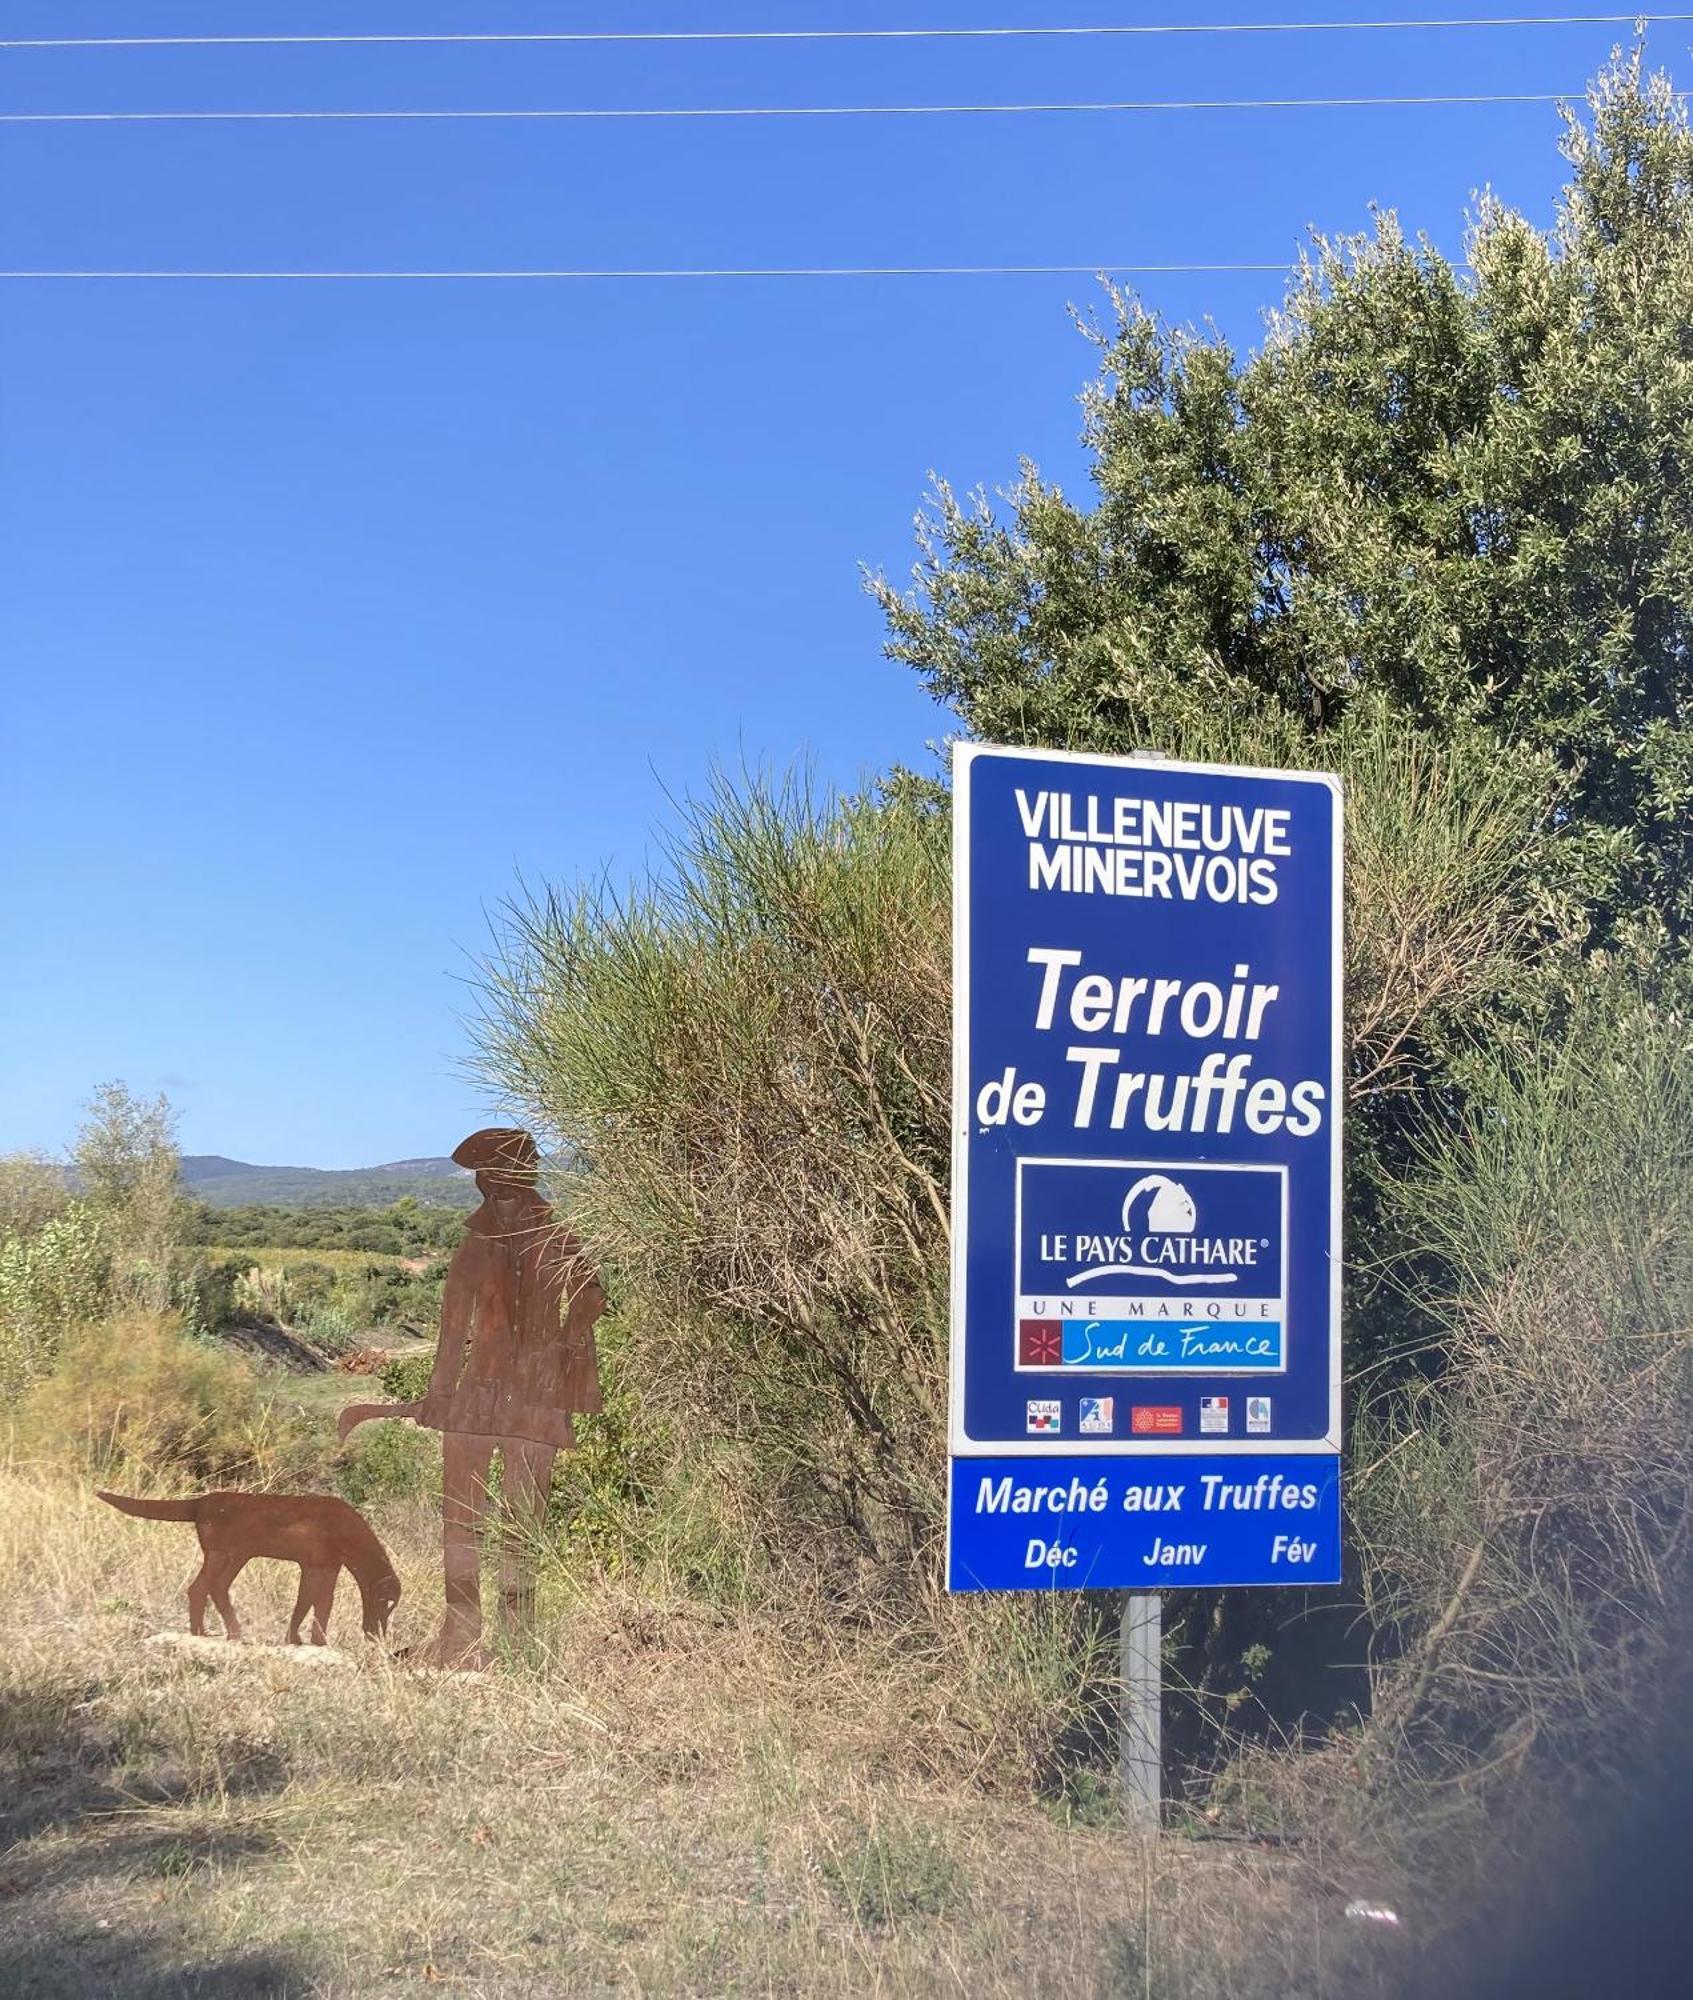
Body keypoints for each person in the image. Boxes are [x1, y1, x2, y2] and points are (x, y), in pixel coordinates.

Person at [414, 1126, 604, 1668]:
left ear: (523, 1177)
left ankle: (512, 1642)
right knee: (466, 1518)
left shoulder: (552, 1239)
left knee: (513, 1523)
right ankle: (463, 1636)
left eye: (502, 1176)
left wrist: (563, 1345)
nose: (494, 1187)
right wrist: (438, 1395)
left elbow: (589, 1298)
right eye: (487, 1178)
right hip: (486, 1400)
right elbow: (454, 1330)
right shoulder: (482, 1247)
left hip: (524, 1402)